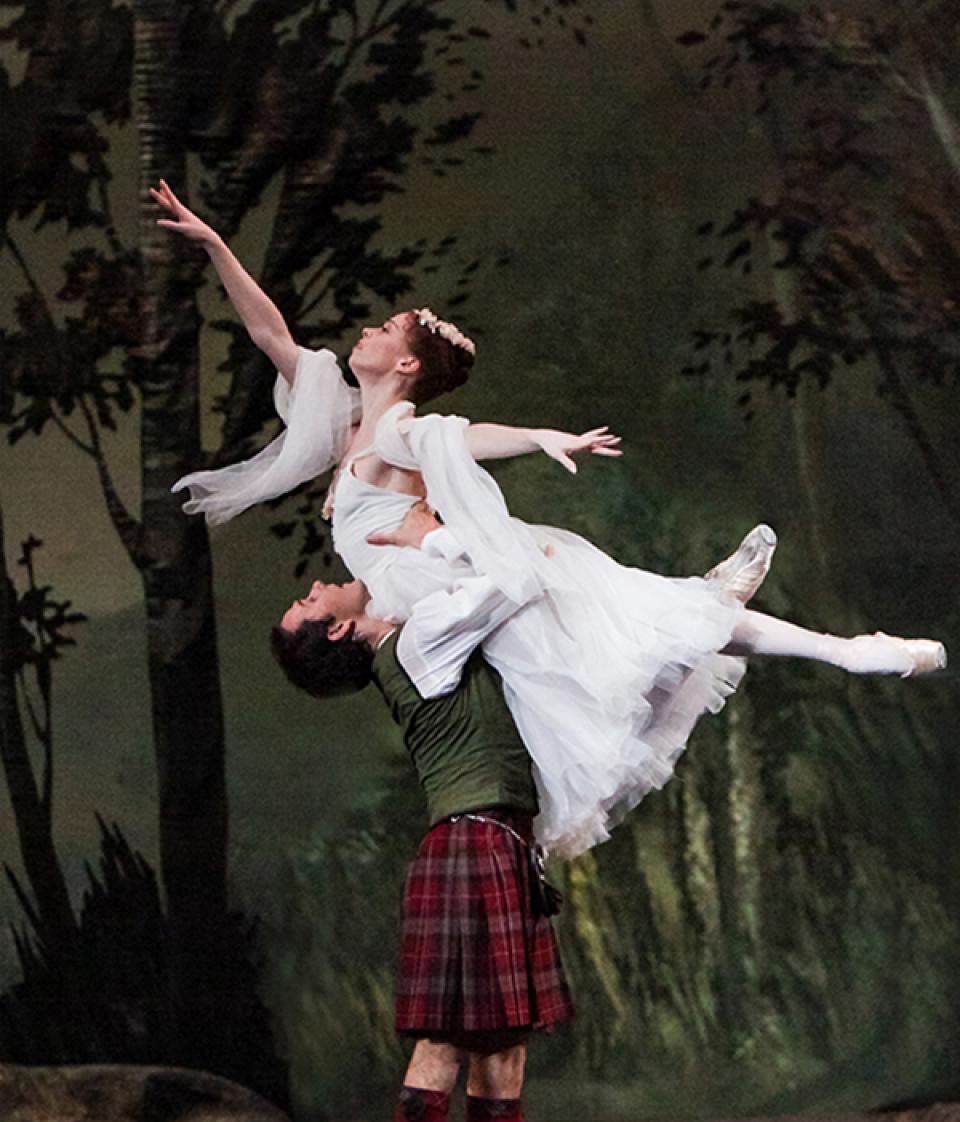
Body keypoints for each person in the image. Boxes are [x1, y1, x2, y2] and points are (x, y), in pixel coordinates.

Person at [154, 181, 948, 859]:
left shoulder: (391, 430)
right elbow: (269, 334)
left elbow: (459, 436)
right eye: (384, 326)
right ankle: (819, 643)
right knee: (646, 630)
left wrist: (536, 438)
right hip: (436, 575)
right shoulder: (349, 426)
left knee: (650, 628)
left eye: (385, 329)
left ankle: (830, 645)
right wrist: (215, 245)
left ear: (404, 367)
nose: (368, 330)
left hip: (449, 569)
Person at [270, 502, 582, 1122]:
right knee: (442, 1047)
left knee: (502, 1059)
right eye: (309, 601)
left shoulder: (413, 629)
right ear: (337, 632)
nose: (317, 584)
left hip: (501, 842)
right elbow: (511, 574)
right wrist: (430, 534)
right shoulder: (416, 642)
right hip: (473, 845)